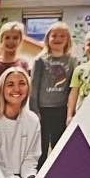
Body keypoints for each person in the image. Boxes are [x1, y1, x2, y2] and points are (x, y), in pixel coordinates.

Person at [28, 23, 75, 155]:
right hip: (43, 110)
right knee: (41, 146)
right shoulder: (40, 60)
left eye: (62, 36)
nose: (58, 38)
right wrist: (34, 111)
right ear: (48, 38)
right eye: (54, 35)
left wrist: (71, 112)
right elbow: (34, 87)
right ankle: (39, 170)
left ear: (68, 40)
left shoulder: (72, 61)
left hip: (61, 110)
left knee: (59, 144)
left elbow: (73, 88)